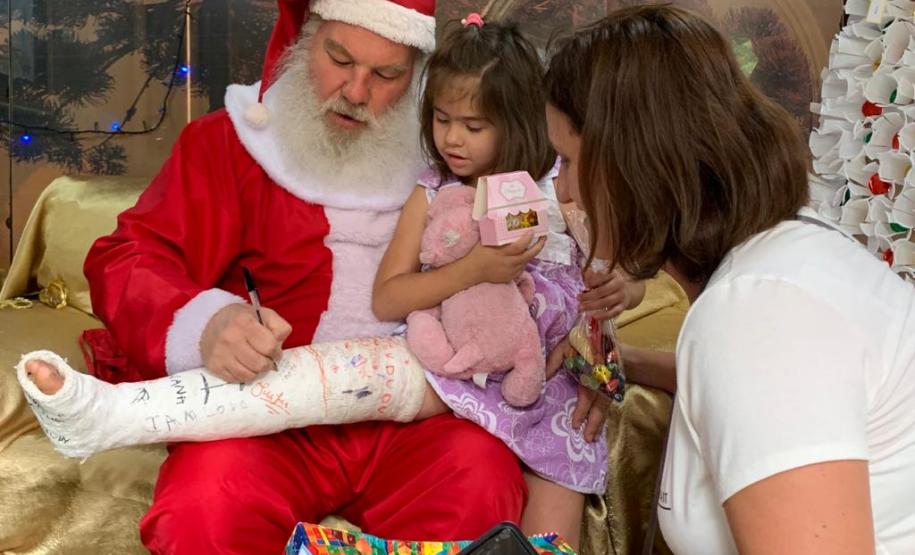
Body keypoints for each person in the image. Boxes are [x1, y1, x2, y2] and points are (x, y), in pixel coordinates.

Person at [14, 2, 628, 553]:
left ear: (416, 75)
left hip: (421, 420)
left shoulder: (461, 155)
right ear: (304, 43)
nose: (355, 91)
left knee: (480, 487)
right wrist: (208, 323)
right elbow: (128, 256)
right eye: (338, 59)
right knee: (203, 509)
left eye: (387, 76)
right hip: (267, 421)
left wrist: (595, 334)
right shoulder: (228, 144)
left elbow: (568, 260)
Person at [544, 5, 915, 554]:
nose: (564, 192)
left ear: (634, 164)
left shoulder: (755, 316)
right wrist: (624, 366)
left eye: (568, 161)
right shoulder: (786, 251)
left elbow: (760, 366)